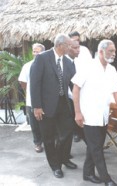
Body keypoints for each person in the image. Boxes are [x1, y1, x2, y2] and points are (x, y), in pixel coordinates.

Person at [72, 39, 117, 186]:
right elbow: (75, 89)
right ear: (101, 51)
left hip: (103, 115)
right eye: (111, 51)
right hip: (88, 116)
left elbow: (116, 94)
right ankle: (106, 179)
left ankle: (87, 173)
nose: (114, 54)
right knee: (96, 149)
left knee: (95, 146)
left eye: (114, 51)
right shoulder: (87, 66)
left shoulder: (112, 70)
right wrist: (77, 113)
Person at [30, 34, 77, 178]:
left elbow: (75, 84)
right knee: (49, 138)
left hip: (64, 104)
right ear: (60, 45)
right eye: (69, 45)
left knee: (67, 133)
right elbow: (35, 83)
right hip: (45, 106)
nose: (71, 48)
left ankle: (63, 158)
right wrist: (36, 106)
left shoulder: (68, 62)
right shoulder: (42, 58)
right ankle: (55, 165)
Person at [18, 43, 45, 153]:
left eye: (38, 51)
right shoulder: (27, 66)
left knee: (48, 123)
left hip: (46, 100)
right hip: (31, 101)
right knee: (34, 124)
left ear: (43, 52)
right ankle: (38, 143)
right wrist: (29, 92)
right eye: (34, 51)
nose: (35, 53)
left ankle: (50, 143)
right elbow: (23, 82)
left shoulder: (47, 64)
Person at [69, 31, 93, 142]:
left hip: (84, 83)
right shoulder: (67, 51)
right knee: (73, 110)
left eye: (78, 39)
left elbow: (90, 65)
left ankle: (86, 134)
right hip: (71, 83)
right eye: (74, 39)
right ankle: (76, 133)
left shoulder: (84, 50)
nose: (76, 42)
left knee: (84, 110)